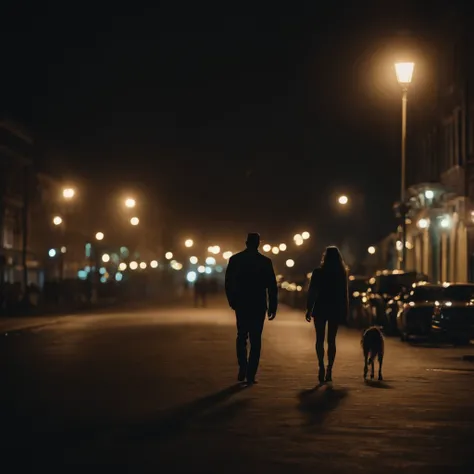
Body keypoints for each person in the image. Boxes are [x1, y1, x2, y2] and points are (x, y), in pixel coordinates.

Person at [225, 233, 278, 384]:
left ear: (246, 243)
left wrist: (232, 300)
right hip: (258, 303)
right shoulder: (265, 262)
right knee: (256, 339)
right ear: (258, 244)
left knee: (241, 335)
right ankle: (251, 373)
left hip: (241, 303)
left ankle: (243, 366)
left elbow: (228, 282)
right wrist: (273, 305)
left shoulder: (236, 260)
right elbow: (272, 286)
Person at [305, 246, 348, 384]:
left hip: (320, 308)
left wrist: (309, 308)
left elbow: (312, 291)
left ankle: (321, 366)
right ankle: (330, 368)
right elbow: (344, 293)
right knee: (331, 340)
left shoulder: (318, 272)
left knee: (319, 339)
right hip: (335, 308)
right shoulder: (341, 273)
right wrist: (345, 310)